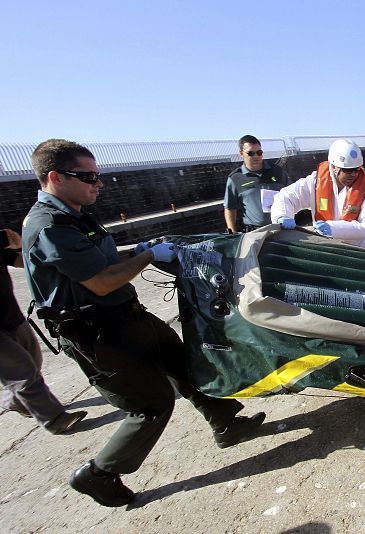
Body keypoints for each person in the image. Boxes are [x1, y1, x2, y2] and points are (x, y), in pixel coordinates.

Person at [22, 139, 265, 507]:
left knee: (187, 362)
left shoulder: (75, 212)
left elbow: (98, 259)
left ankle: (226, 421)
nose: (97, 183)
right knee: (150, 405)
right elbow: (102, 281)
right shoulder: (49, 226)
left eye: (98, 176)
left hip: (126, 315)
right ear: (55, 177)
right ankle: (99, 474)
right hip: (95, 332)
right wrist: (149, 256)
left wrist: (133, 252)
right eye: (87, 176)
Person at [1, 228, 87, 433]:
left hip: (11, 317)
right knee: (23, 372)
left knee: (33, 362)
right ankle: (54, 420)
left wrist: (23, 246)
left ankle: (14, 401)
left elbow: (21, 261)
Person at [272, 139, 365, 250]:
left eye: (356, 169)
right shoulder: (314, 182)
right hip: (329, 247)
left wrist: (333, 228)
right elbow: (285, 197)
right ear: (334, 167)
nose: (353, 174)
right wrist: (283, 215)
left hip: (362, 249)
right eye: (347, 170)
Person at [223, 134, 290, 233]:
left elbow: (292, 195)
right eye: (251, 153)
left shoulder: (278, 172)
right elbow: (230, 208)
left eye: (259, 152)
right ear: (241, 153)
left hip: (281, 228)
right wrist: (232, 233)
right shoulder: (235, 178)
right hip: (255, 233)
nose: (256, 156)